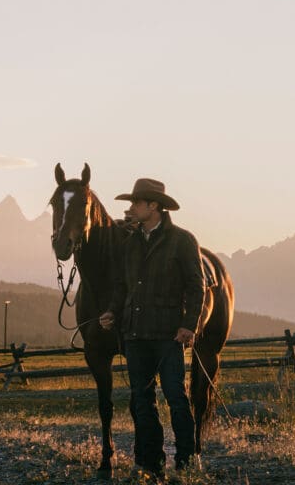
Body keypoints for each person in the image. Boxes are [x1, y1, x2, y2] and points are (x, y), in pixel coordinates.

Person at [99, 178, 204, 479]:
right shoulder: (129, 244)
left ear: (153, 206)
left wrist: (189, 325)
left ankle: (186, 460)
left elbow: (197, 287)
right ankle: (149, 461)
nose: (131, 209)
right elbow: (122, 287)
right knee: (141, 401)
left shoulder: (182, 241)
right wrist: (111, 312)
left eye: (136, 203)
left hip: (169, 334)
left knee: (175, 396)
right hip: (135, 335)